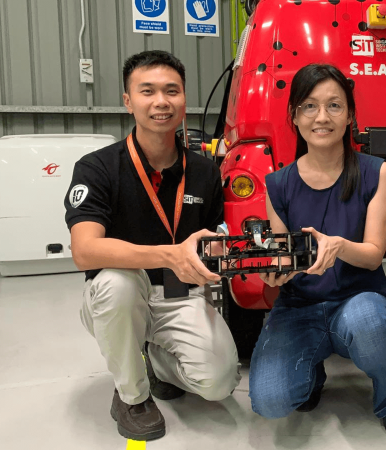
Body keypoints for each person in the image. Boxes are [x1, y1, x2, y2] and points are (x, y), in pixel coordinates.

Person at [64, 50, 241, 441]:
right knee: (118, 284)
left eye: (171, 91)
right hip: (118, 295)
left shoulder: (204, 171)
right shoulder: (97, 167)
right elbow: (85, 251)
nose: (161, 101)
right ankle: (132, 396)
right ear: (128, 101)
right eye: (148, 91)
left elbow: (213, 239)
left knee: (220, 381)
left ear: (184, 98)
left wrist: (233, 257)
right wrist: (170, 255)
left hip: (179, 293)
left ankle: (151, 360)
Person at [247, 64, 386, 442]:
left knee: (370, 324)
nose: (322, 117)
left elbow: (373, 255)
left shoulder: (376, 173)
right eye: (309, 106)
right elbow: (283, 256)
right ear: (294, 116)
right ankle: (312, 368)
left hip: (358, 299)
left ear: (350, 115)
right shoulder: (278, 184)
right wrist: (272, 271)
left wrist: (338, 245)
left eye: (334, 106)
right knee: (269, 400)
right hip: (299, 306)